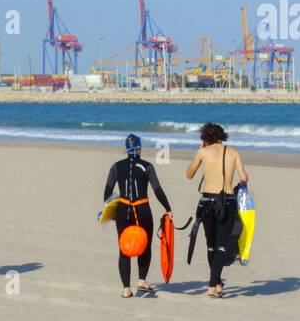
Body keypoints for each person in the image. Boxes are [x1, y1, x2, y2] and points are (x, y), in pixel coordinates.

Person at [103, 134, 172, 297]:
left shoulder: (116, 166)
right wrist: (168, 208)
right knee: (145, 245)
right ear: (139, 148)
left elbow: (107, 193)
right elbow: (157, 190)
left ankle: (126, 289)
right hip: (142, 209)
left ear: (127, 149)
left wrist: (111, 211)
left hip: (122, 209)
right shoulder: (147, 166)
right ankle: (141, 281)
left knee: (124, 248)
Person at [185, 122, 248, 298]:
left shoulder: (202, 152)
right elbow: (244, 177)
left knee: (211, 245)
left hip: (208, 202)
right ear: (222, 136)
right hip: (227, 201)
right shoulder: (233, 152)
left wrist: (200, 150)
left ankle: (214, 284)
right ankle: (216, 284)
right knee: (221, 245)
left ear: (205, 137)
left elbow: (189, 174)